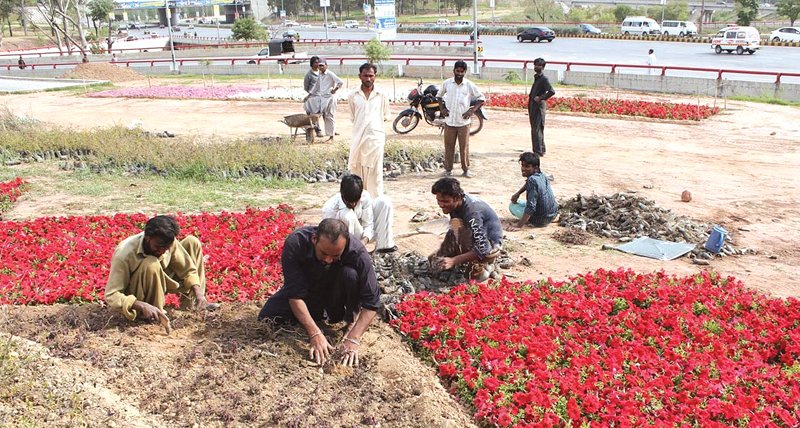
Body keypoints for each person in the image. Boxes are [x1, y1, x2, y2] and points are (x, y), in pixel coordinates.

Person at [258, 219, 381, 367]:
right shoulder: (296, 243)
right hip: (308, 289)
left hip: (337, 293)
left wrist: (354, 338)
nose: (328, 260)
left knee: (350, 274)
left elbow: (372, 302)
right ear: (314, 239)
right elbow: (294, 294)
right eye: (324, 253)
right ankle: (315, 316)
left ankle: (350, 321)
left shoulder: (358, 252)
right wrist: (314, 333)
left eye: (335, 256)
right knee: (267, 316)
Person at [104, 215, 217, 325]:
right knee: (151, 263)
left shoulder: (167, 241)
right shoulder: (124, 254)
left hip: (161, 278)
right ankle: (154, 315)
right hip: (139, 292)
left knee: (192, 242)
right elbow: (111, 294)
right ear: (148, 237)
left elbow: (188, 270)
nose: (162, 251)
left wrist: (199, 295)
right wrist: (141, 305)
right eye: (158, 247)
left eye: (166, 248)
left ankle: (194, 307)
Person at [430, 177, 503, 281]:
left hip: (490, 244)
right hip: (473, 235)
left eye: (445, 201)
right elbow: (455, 228)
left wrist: (454, 260)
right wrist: (447, 251)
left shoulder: (472, 213)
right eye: (439, 201)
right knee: (454, 227)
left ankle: (487, 264)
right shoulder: (455, 205)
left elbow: (483, 248)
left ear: (457, 197)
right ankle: (459, 255)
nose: (441, 205)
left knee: (474, 276)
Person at [322, 174, 396, 253]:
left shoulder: (365, 196)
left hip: (363, 234)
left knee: (385, 202)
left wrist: (363, 241)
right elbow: (330, 236)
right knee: (347, 215)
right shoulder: (330, 208)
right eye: (349, 202)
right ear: (341, 193)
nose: (353, 205)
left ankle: (383, 248)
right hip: (343, 239)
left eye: (355, 202)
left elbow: (368, 224)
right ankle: (350, 252)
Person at [347, 62, 390, 198]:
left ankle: (375, 200)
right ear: (360, 76)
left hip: (376, 138)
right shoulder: (353, 95)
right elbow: (353, 117)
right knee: (357, 169)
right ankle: (358, 198)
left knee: (375, 171)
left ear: (375, 76)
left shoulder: (382, 94)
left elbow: (385, 116)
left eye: (371, 76)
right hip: (358, 137)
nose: (368, 79)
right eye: (365, 76)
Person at [438, 60, 485, 178]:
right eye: (457, 71)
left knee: (464, 147)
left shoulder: (469, 85)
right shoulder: (447, 83)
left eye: (461, 71)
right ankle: (448, 170)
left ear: (465, 72)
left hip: (463, 123)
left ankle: (466, 169)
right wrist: (442, 109)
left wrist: (471, 111)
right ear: (454, 70)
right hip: (449, 122)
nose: (459, 73)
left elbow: (481, 98)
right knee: (449, 146)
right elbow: (439, 96)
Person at [509, 152, 558, 229]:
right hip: (553, 214)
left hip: (540, 220)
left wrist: (519, 226)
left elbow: (531, 207)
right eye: (522, 165)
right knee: (522, 202)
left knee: (512, 206)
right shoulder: (542, 175)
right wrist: (518, 193)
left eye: (527, 166)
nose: (523, 169)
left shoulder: (532, 180)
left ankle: (533, 221)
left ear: (536, 168)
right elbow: (529, 185)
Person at [528, 57, 555, 157]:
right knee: (535, 128)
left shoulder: (544, 79)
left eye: (538, 65)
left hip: (538, 107)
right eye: (535, 65)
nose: (536, 67)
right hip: (532, 106)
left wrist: (541, 98)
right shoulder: (537, 77)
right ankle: (540, 149)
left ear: (542, 67)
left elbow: (551, 91)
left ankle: (538, 151)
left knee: (537, 129)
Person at [315, 58, 344, 141]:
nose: (320, 67)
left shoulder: (330, 74)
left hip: (330, 97)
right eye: (319, 66)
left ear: (326, 66)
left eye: (322, 66)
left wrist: (335, 90)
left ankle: (332, 136)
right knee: (324, 115)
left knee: (330, 116)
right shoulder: (319, 75)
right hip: (322, 97)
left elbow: (340, 82)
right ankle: (331, 132)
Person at [303, 56, 324, 137]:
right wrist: (311, 94)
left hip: (322, 96)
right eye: (316, 62)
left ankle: (330, 130)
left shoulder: (322, 72)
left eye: (318, 62)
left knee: (326, 113)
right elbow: (306, 87)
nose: (318, 64)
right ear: (312, 64)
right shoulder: (309, 74)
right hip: (313, 96)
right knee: (314, 114)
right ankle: (317, 130)